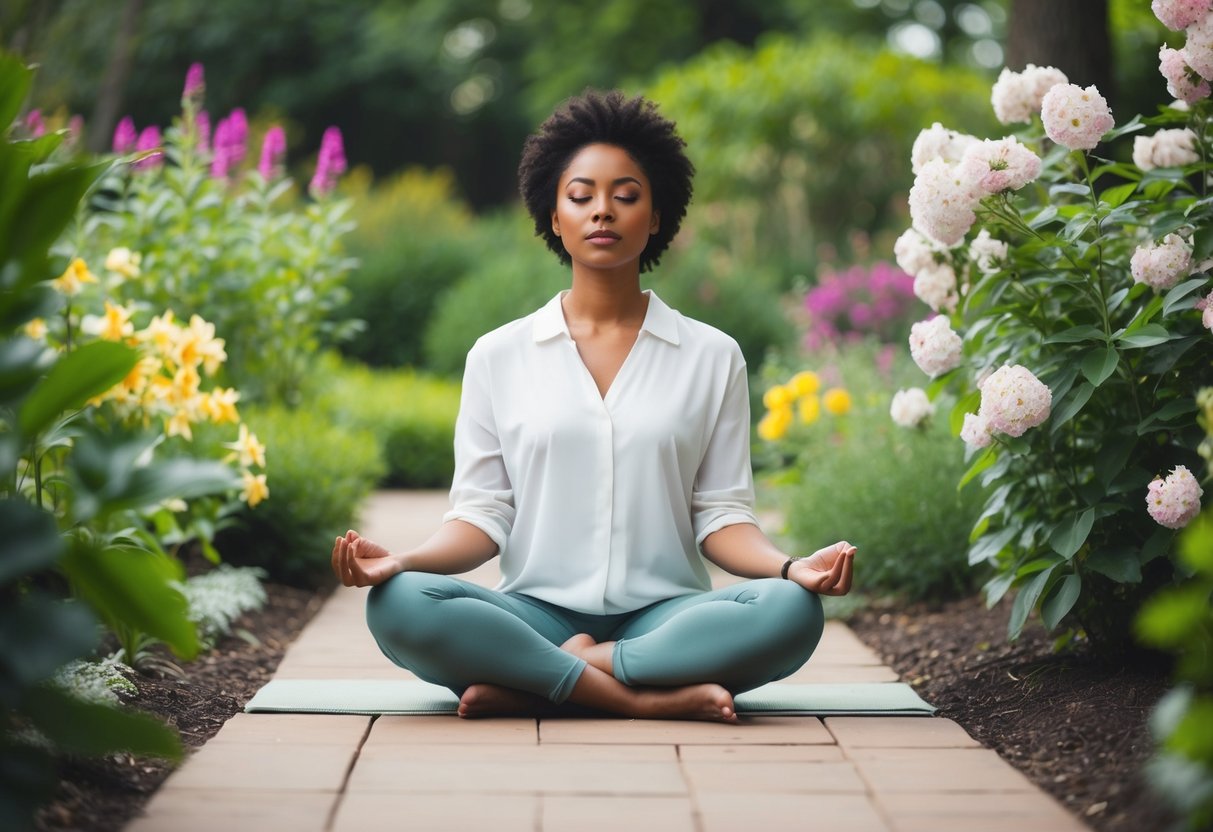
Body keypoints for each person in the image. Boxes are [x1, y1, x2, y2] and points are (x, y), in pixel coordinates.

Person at [331, 90, 856, 722]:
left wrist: (792, 567)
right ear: (553, 217)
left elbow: (721, 517)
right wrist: (402, 560)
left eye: (626, 195)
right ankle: (639, 698)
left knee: (790, 610)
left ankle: (544, 679)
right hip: (534, 613)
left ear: (657, 215)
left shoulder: (712, 356)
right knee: (398, 602)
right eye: (581, 196)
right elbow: (482, 516)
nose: (602, 211)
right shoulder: (498, 355)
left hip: (668, 618)